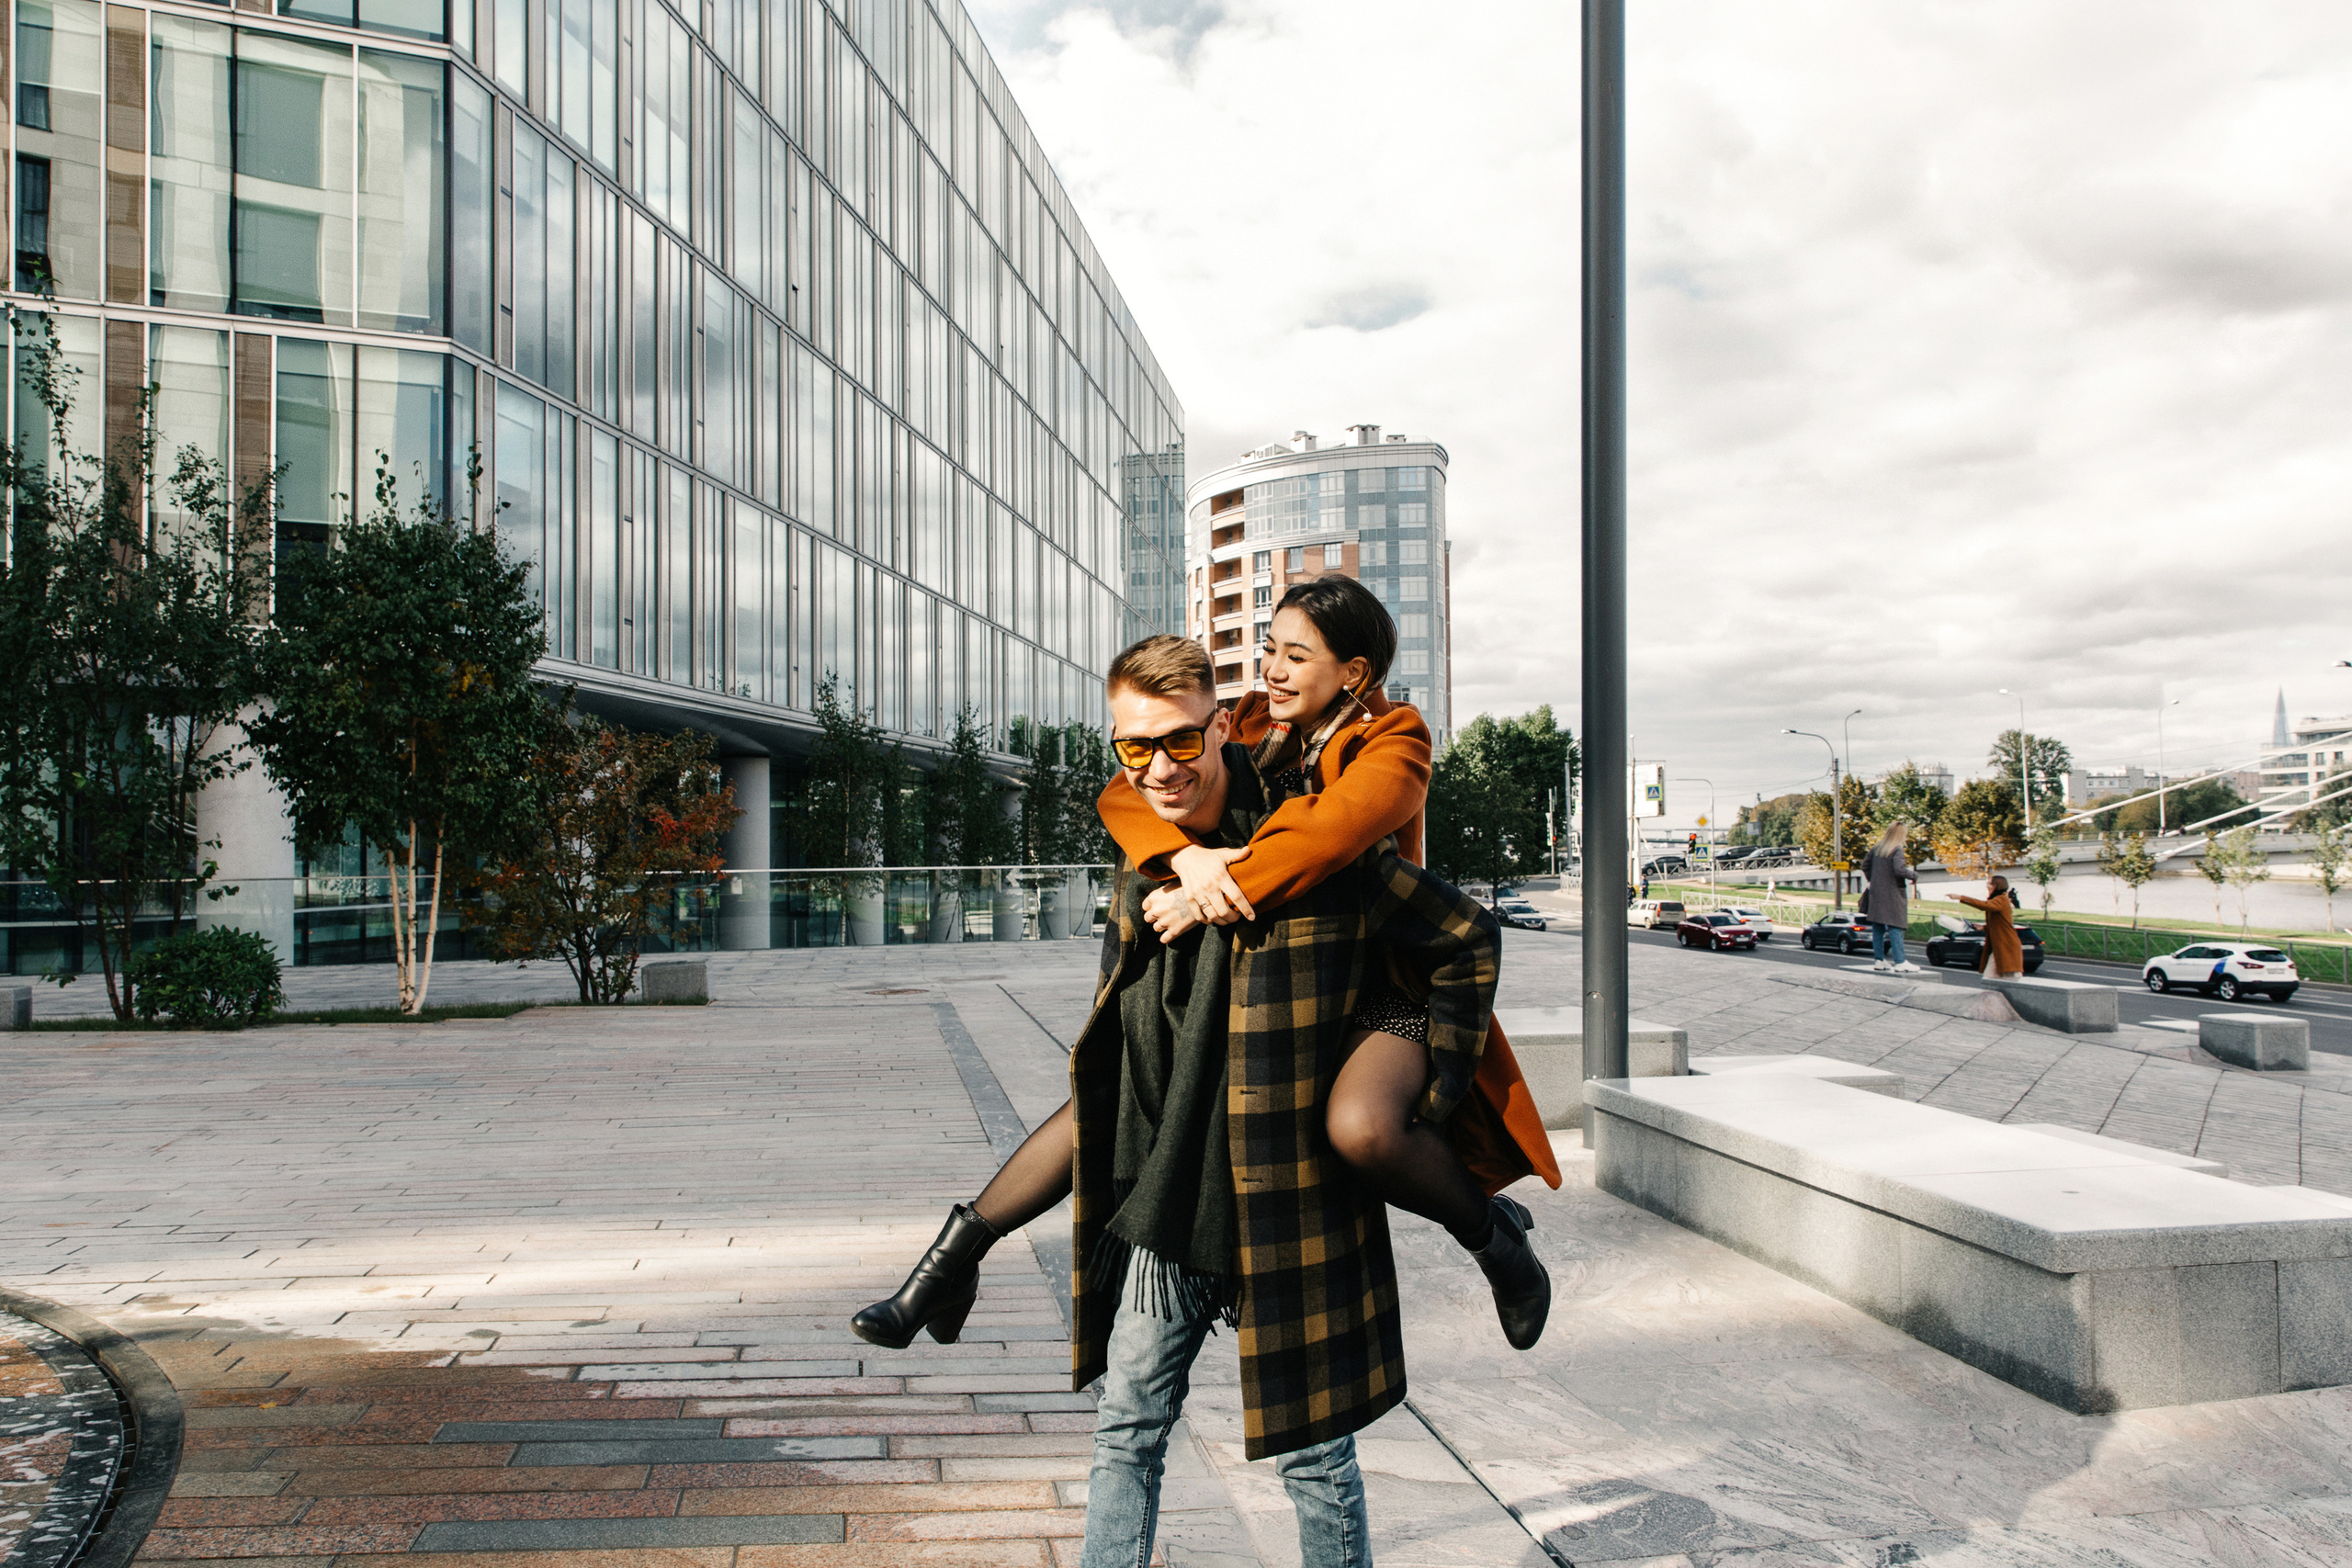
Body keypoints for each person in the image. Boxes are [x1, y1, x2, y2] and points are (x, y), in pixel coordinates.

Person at [852, 579, 1555, 1353]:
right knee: (1114, 1087)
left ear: (1352, 672)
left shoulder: (1397, 739)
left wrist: (1209, 892)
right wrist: (1186, 859)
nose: (1274, 671)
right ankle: (953, 1260)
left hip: (1382, 980)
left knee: (1361, 1127)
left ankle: (1498, 1244)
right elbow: (1127, 789)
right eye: (1268, 651)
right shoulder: (1251, 719)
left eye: (1296, 655)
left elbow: (1329, 834)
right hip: (1288, 975)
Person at [1069, 635, 1524, 1568]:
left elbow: (1464, 936)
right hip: (1173, 1200)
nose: (1158, 769)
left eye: (1181, 743)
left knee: (1312, 1458)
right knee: (1127, 1424)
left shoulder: (1313, 844)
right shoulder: (1138, 863)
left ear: (1224, 727)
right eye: (1133, 749)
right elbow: (1125, 1035)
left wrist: (1422, 1082)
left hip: (1291, 1199)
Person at [1860, 821, 1920, 974]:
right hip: (1892, 894)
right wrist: (1913, 875)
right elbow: (1899, 870)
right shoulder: (1897, 850)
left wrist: (1874, 880)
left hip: (1876, 894)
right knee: (1895, 926)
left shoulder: (1876, 848)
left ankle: (1879, 960)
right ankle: (1900, 961)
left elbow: (1864, 866)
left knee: (1878, 927)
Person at [1956, 875, 2025, 977]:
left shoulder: (2001, 899)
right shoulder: (1998, 899)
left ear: (1997, 885)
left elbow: (1985, 905)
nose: (1987, 886)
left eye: (1989, 883)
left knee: (2011, 978)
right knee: (1991, 978)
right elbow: (2000, 923)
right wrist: (1983, 927)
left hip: (2007, 946)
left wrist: (1961, 898)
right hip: (1999, 947)